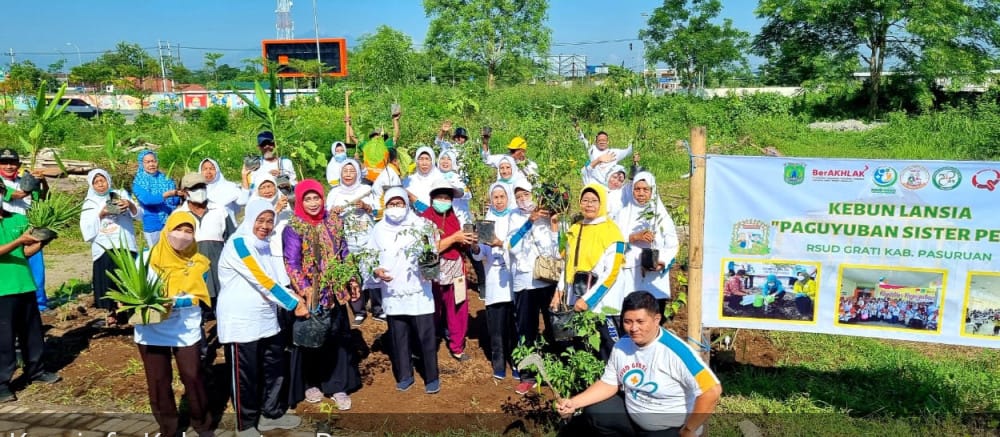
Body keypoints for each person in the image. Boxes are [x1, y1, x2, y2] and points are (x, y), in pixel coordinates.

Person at [557, 291, 722, 437]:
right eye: (627, 321)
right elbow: (609, 383)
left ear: (656, 319)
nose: (633, 328)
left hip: (671, 429)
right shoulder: (622, 345)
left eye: (640, 321)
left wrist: (689, 430)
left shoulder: (676, 352)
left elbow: (712, 390)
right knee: (597, 411)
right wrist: (574, 403)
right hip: (634, 421)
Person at [217, 199, 307, 435]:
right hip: (241, 322)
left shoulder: (264, 245)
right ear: (249, 219)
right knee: (245, 376)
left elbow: (276, 279)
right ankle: (244, 425)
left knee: (273, 369)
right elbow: (263, 280)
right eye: (260, 220)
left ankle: (271, 414)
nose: (265, 226)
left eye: (270, 221)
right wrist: (293, 303)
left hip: (266, 319)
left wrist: (296, 295)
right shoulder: (240, 244)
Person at [283, 179, 362, 409]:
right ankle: (310, 383)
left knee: (337, 337)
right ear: (299, 201)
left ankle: (337, 385)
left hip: (335, 290)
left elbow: (344, 252)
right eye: (307, 199)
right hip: (311, 295)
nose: (313, 203)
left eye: (316, 197)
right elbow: (291, 262)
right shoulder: (294, 227)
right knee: (311, 338)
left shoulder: (334, 222)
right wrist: (306, 290)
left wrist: (351, 278)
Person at [135, 212, 214, 437]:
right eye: (177, 230)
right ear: (166, 230)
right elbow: (134, 288)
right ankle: (168, 428)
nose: (182, 236)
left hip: (184, 327)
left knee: (193, 375)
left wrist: (174, 301)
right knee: (158, 382)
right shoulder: (147, 258)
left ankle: (202, 424)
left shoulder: (199, 262)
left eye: (188, 231)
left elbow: (200, 295)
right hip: (151, 327)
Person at [371, 187, 440, 394]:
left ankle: (431, 377)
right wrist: (376, 270)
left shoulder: (420, 225)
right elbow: (369, 256)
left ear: (406, 204)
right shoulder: (378, 229)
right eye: (391, 204)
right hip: (392, 290)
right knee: (398, 335)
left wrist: (429, 263)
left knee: (425, 336)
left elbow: (432, 251)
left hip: (418, 289)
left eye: (399, 203)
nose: (395, 208)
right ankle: (404, 375)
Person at [551, 183, 627, 361]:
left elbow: (612, 273)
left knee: (607, 349)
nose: (589, 204)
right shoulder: (575, 228)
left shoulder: (612, 231)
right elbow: (569, 264)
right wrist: (559, 291)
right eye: (585, 200)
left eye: (594, 200)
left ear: (602, 203)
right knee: (582, 348)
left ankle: (615, 389)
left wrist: (589, 300)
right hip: (577, 297)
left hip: (603, 302)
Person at [0, 201, 59, 402]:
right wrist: (19, 241)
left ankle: (36, 370)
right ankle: (2, 384)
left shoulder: (18, 219)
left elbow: (23, 253)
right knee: (4, 339)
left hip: (24, 284)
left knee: (32, 333)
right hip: (2, 290)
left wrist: (43, 240)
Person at [506, 178, 561, 394]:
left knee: (553, 325)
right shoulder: (514, 217)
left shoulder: (549, 217)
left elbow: (558, 252)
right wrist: (529, 221)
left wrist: (554, 225)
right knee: (526, 329)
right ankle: (528, 375)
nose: (522, 200)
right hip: (524, 283)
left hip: (546, 281)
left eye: (525, 195)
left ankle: (555, 368)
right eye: (518, 196)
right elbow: (511, 246)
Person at [421, 180, 477, 362]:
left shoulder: (453, 217)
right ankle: (431, 340)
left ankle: (457, 345)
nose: (443, 201)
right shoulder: (425, 218)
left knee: (458, 306)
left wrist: (466, 241)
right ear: (432, 199)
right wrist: (454, 238)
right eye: (439, 197)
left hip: (455, 269)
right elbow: (429, 249)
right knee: (433, 307)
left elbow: (459, 243)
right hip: (434, 270)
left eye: (447, 198)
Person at [80, 169, 140, 327]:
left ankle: (131, 310)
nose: (100, 184)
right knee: (108, 280)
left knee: (128, 279)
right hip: (104, 246)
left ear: (108, 180)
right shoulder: (89, 203)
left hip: (124, 243)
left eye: (103, 180)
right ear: (92, 185)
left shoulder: (120, 194)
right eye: (96, 182)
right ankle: (112, 312)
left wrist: (129, 204)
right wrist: (101, 213)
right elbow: (86, 228)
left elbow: (139, 214)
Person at [613, 172, 680, 312]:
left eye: (646, 189)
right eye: (637, 189)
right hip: (628, 273)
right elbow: (612, 240)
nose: (641, 193)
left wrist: (661, 261)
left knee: (651, 313)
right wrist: (633, 237)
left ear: (652, 191)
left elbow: (673, 244)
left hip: (653, 277)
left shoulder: (660, 216)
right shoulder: (623, 214)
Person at [326, 159, 383, 325]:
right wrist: (334, 212)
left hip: (367, 238)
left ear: (358, 173)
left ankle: (378, 308)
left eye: (352, 171)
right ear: (340, 174)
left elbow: (377, 211)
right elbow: (328, 217)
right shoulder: (334, 193)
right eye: (345, 171)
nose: (348, 174)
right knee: (351, 274)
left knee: (373, 271)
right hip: (346, 241)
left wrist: (365, 206)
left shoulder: (366, 189)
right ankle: (358, 310)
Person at [471, 183, 515, 380]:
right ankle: (499, 364)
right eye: (495, 197)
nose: (499, 201)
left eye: (502, 197)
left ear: (508, 198)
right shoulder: (486, 222)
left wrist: (500, 243)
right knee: (496, 329)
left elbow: (518, 247)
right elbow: (482, 255)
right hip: (494, 281)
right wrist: (475, 248)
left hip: (513, 280)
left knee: (514, 326)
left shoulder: (514, 219)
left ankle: (517, 362)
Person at [174, 173, 236, 306]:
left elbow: (232, 238)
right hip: (191, 267)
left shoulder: (219, 210)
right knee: (195, 305)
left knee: (222, 302)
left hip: (218, 264)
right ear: (185, 192)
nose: (200, 191)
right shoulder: (178, 215)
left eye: (202, 186)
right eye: (195, 188)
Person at [1, 148, 50, 312]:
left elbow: (42, 199)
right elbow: (18, 195)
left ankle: (40, 304)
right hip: (6, 229)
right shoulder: (1, 184)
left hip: (28, 226)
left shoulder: (24, 179)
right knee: (14, 264)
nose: (9, 166)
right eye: (4, 163)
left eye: (13, 163)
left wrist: (42, 181)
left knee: (36, 266)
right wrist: (31, 182)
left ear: (19, 165)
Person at [133, 150, 183, 247]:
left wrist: (177, 195)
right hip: (153, 224)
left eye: (153, 161)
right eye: (147, 162)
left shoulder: (166, 179)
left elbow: (175, 201)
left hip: (171, 222)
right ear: (141, 164)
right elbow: (148, 200)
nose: (151, 164)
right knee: (157, 256)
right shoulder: (139, 182)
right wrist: (167, 194)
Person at [437, 150, 472, 226]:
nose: (445, 161)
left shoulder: (458, 177)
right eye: (443, 158)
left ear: (453, 162)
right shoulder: (433, 176)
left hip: (458, 215)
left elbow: (468, 194)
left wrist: (460, 192)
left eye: (449, 159)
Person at [403, 146, 441, 213]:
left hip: (434, 220)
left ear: (432, 161)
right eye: (421, 159)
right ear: (416, 161)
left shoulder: (440, 179)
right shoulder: (408, 180)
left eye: (427, 159)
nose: (424, 163)